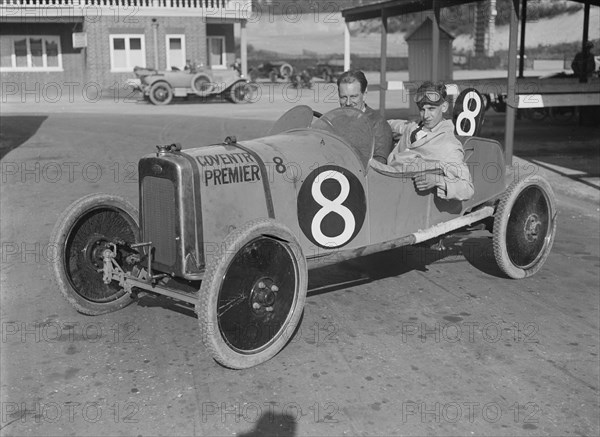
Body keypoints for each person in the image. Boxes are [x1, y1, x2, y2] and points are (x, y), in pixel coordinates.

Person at [384, 81, 474, 202]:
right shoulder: (413, 126)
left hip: (407, 197)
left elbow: (467, 189)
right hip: (386, 180)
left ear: (444, 107)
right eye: (422, 109)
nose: (426, 116)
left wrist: (437, 180)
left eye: (431, 109)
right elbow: (390, 125)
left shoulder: (449, 145)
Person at [337, 70, 394, 164]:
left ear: (364, 95)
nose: (348, 103)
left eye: (353, 96)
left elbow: (379, 164)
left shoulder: (377, 124)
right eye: (343, 97)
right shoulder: (335, 121)